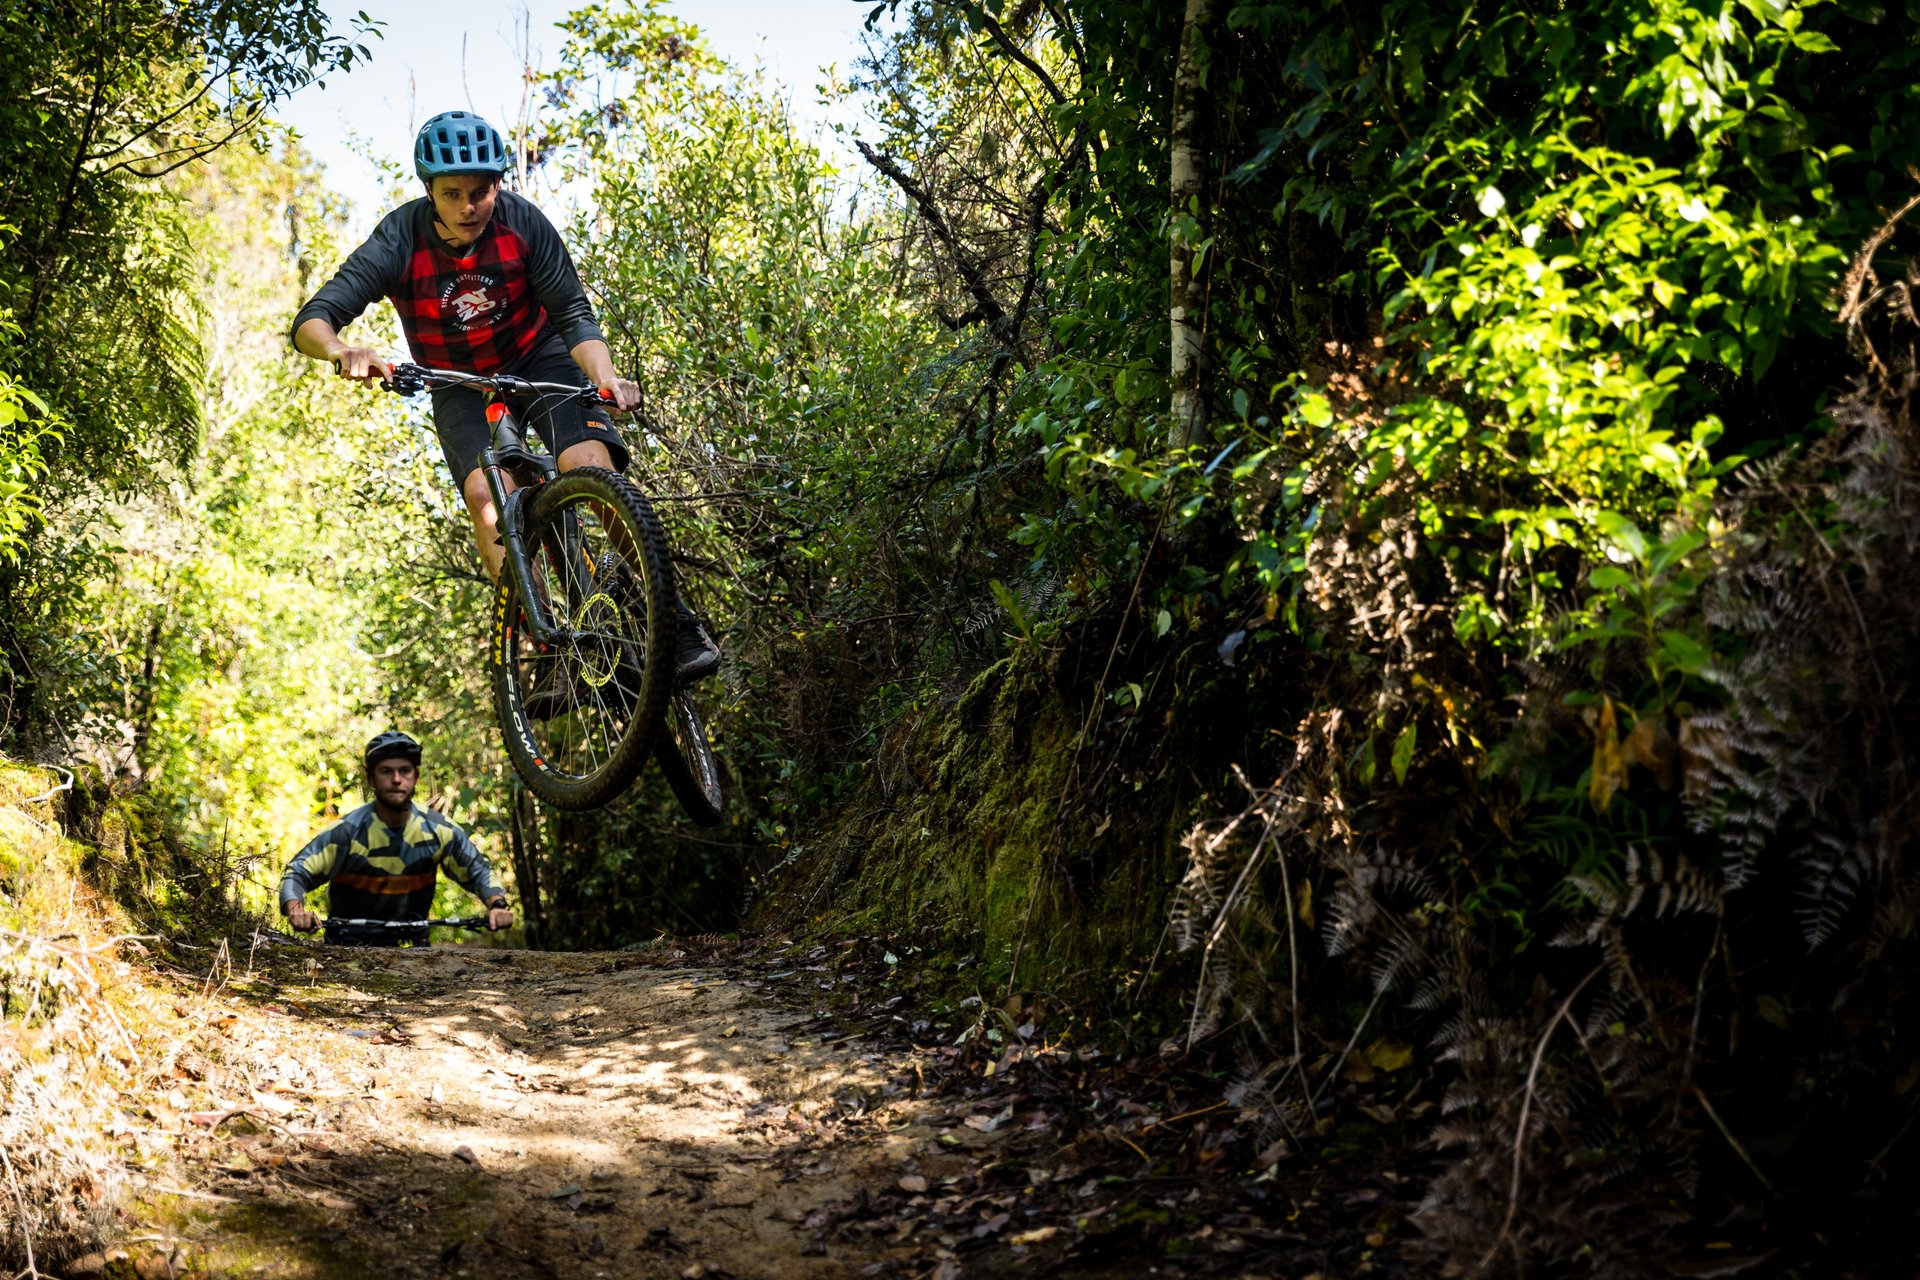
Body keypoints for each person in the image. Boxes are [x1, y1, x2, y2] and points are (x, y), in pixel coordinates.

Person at [288, 109, 719, 692]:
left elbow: (572, 314)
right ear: (429, 193)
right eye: (453, 194)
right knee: (487, 499)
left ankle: (674, 618)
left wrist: (607, 379)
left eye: (482, 191)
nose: (469, 206)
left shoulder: (522, 224)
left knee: (586, 466)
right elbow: (313, 320)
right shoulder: (399, 238)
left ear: (498, 185)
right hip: (457, 381)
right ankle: (546, 646)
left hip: (537, 358)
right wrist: (342, 350)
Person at [279, 730, 513, 946]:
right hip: (346, 948)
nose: (397, 779)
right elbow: (297, 872)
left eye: (405, 771)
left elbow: (478, 870)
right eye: (386, 771)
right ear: (370, 779)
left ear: (416, 777)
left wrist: (498, 905)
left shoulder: (439, 830)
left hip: (414, 949)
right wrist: (296, 910)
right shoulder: (346, 832)